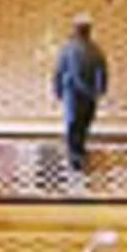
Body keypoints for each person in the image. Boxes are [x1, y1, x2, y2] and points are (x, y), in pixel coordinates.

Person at [53, 15, 109, 167]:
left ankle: (76, 151)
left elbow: (58, 70)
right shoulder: (95, 50)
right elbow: (102, 72)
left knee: (76, 123)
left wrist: (57, 89)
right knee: (81, 123)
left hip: (74, 93)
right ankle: (76, 151)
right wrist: (100, 90)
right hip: (85, 94)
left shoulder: (69, 49)